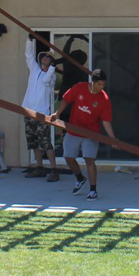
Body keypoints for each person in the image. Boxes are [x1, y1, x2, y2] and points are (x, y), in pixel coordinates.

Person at [52, 68, 116, 201]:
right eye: (99, 84)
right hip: (74, 130)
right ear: (92, 82)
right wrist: (56, 114)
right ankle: (80, 178)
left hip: (91, 134)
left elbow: (106, 121)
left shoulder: (104, 99)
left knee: (89, 159)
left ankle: (93, 190)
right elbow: (65, 100)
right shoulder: (79, 88)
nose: (101, 87)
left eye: (103, 84)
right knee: (68, 157)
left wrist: (112, 139)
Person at [20, 36, 59, 180]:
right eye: (44, 57)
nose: (45, 59)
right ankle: (39, 167)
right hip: (28, 111)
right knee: (33, 142)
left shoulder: (52, 75)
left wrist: (52, 68)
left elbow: (45, 80)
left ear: (51, 62)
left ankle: (54, 170)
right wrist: (29, 41)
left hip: (42, 114)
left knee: (46, 143)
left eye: (49, 58)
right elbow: (28, 55)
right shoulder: (34, 69)